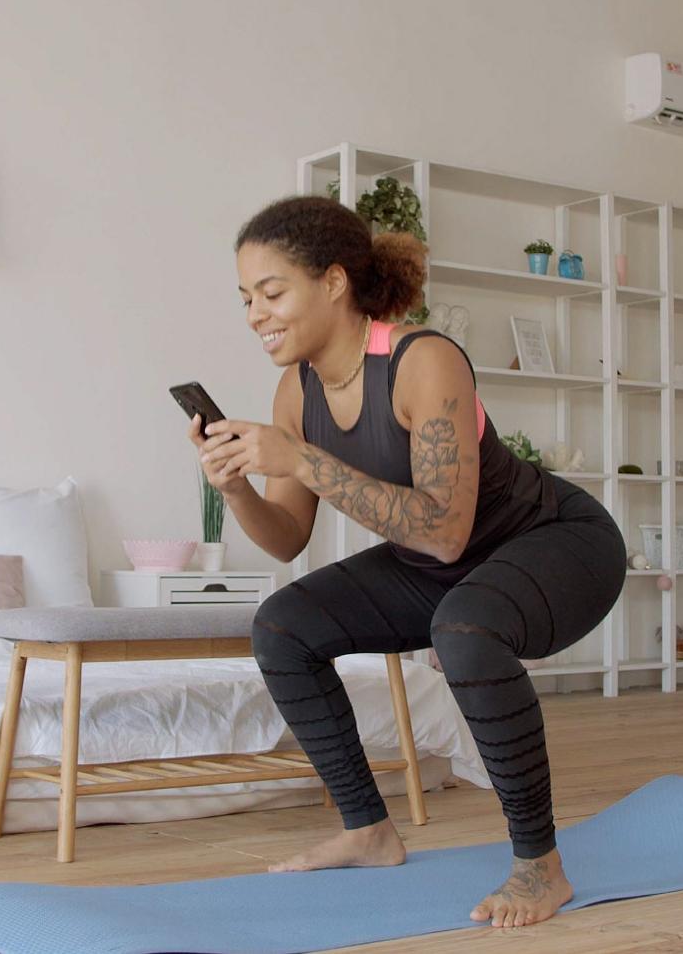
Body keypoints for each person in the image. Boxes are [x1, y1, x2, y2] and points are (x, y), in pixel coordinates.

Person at [187, 194, 625, 929]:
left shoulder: (423, 360)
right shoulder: (296, 390)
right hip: (446, 567)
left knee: (464, 628)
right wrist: (235, 490)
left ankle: (539, 867)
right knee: (284, 626)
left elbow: (445, 533)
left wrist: (300, 456)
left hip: (553, 543)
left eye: (271, 293)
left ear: (333, 283)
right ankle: (368, 830)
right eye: (245, 300)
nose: (256, 314)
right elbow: (287, 538)